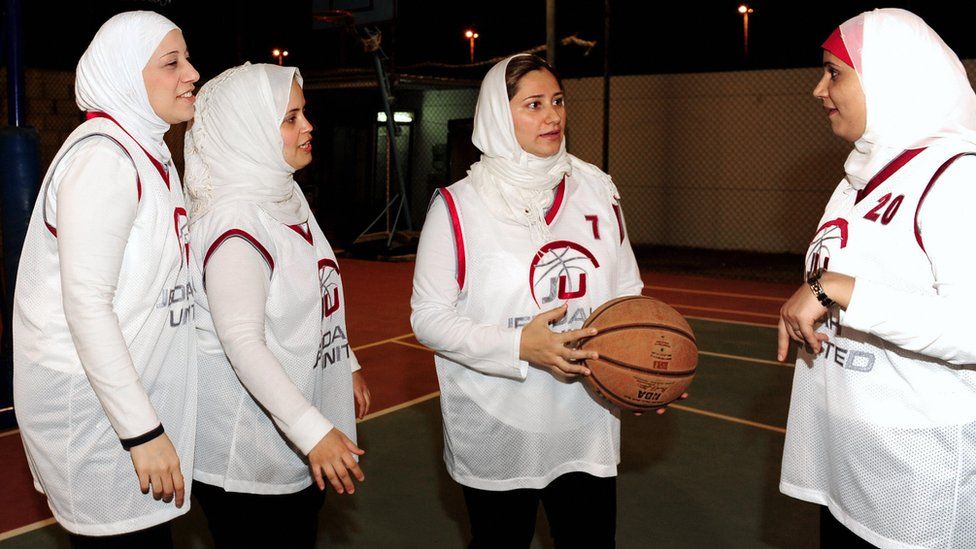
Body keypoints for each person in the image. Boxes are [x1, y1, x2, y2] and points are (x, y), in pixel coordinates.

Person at [411, 53, 645, 548]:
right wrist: (522, 345)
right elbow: (429, 319)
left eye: (557, 101)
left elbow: (627, 292)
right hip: (499, 416)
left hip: (585, 415)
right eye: (533, 104)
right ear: (498, 114)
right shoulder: (458, 205)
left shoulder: (598, 190)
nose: (553, 116)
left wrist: (637, 369)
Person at [777, 8, 976, 548]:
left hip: (917, 476)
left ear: (892, 75)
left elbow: (970, 329)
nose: (819, 90)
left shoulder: (958, 176)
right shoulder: (860, 177)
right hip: (850, 457)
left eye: (834, 72)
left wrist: (839, 290)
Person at [12, 11, 198, 547]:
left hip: (126, 403)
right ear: (124, 73)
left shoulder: (150, 150)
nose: (191, 73)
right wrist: (141, 431)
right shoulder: (103, 158)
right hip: (99, 416)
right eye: (172, 62)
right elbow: (87, 306)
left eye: (185, 58)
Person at [184, 62, 369, 548]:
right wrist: (313, 431)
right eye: (290, 118)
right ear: (249, 131)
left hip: (283, 426)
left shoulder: (281, 193)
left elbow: (317, 288)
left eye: (303, 114)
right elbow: (242, 342)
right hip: (245, 447)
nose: (308, 126)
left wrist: (343, 361)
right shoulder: (237, 225)